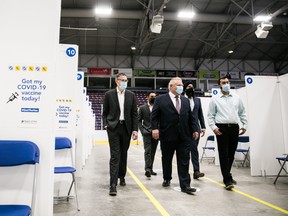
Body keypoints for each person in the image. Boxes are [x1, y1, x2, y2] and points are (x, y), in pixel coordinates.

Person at [151, 77, 199, 195]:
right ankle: (167, 178)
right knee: (167, 159)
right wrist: (155, 129)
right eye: (178, 85)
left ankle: (185, 184)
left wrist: (195, 129)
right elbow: (154, 116)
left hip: (184, 135)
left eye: (181, 84)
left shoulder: (186, 100)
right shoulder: (160, 100)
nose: (181, 87)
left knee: (184, 160)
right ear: (171, 86)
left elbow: (191, 117)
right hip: (167, 135)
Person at [207, 76, 247, 190]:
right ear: (219, 85)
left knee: (231, 154)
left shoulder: (236, 98)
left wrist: (244, 125)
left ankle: (227, 174)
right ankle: (227, 180)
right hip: (222, 128)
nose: (226, 84)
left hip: (234, 127)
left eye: (227, 82)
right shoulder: (215, 99)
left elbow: (242, 112)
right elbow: (210, 116)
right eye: (223, 82)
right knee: (223, 154)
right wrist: (214, 128)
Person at [102, 73, 138, 196]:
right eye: (122, 80)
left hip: (126, 128)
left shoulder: (131, 95)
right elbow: (105, 112)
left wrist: (135, 129)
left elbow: (134, 114)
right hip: (113, 128)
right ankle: (113, 185)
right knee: (115, 155)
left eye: (126, 80)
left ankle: (121, 176)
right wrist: (106, 124)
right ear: (116, 81)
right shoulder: (109, 94)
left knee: (123, 154)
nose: (124, 82)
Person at [183, 81, 206, 179]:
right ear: (185, 88)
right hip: (184, 128)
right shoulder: (181, 99)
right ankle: (184, 171)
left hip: (196, 128)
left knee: (194, 149)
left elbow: (200, 114)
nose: (190, 88)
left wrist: (203, 127)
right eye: (188, 87)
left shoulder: (197, 100)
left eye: (192, 87)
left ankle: (196, 171)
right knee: (184, 151)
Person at [138, 91, 159, 178]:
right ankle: (147, 169)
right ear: (147, 97)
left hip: (156, 133)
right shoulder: (142, 108)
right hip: (146, 132)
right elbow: (138, 121)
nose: (153, 98)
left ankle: (151, 168)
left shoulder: (158, 108)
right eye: (151, 96)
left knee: (153, 151)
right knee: (147, 151)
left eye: (154, 96)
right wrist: (142, 131)